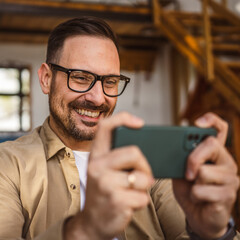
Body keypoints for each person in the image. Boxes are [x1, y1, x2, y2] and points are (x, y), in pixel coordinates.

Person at [0, 16, 239, 240]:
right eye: (81, 77)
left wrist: (213, 232)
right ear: (46, 79)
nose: (97, 97)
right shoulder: (8, 165)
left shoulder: (150, 158)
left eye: (110, 82)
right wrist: (86, 227)